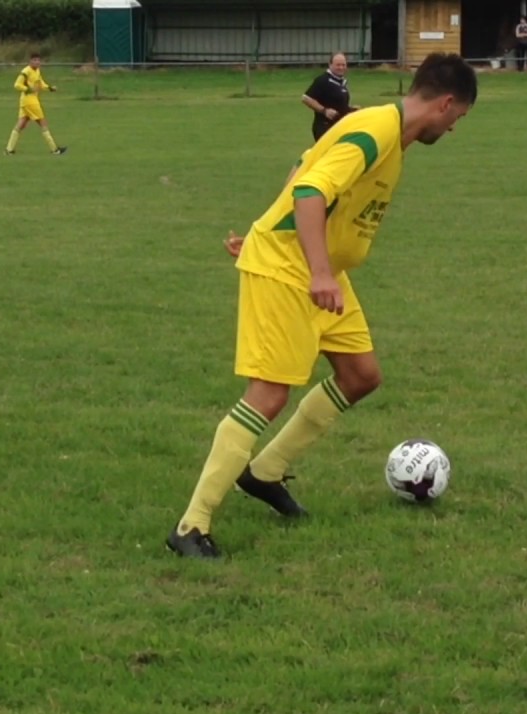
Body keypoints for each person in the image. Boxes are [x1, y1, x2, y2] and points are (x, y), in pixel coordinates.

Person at [166, 53, 478, 559]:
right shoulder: (376, 130)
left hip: (319, 266)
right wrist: (317, 270)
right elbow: (311, 189)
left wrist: (267, 225)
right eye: (458, 118)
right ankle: (191, 527)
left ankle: (264, 474)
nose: (454, 128)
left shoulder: (387, 135)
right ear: (444, 104)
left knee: (361, 375)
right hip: (293, 270)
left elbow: (304, 165)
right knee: (268, 395)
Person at [5, 53, 66, 156]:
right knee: (43, 123)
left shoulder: (37, 71)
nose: (37, 62)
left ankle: (9, 149)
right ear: (30, 61)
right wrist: (28, 89)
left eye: (38, 60)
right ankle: (55, 149)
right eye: (34, 60)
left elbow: (40, 83)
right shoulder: (26, 71)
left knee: (21, 124)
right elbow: (17, 85)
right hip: (30, 101)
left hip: (26, 101)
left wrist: (50, 88)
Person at [302, 52, 359, 141]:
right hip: (325, 127)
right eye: (338, 65)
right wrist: (324, 111)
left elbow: (335, 102)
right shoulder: (323, 80)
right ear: (330, 65)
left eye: (343, 65)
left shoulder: (341, 82)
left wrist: (350, 109)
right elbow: (306, 98)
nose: (341, 67)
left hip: (339, 127)